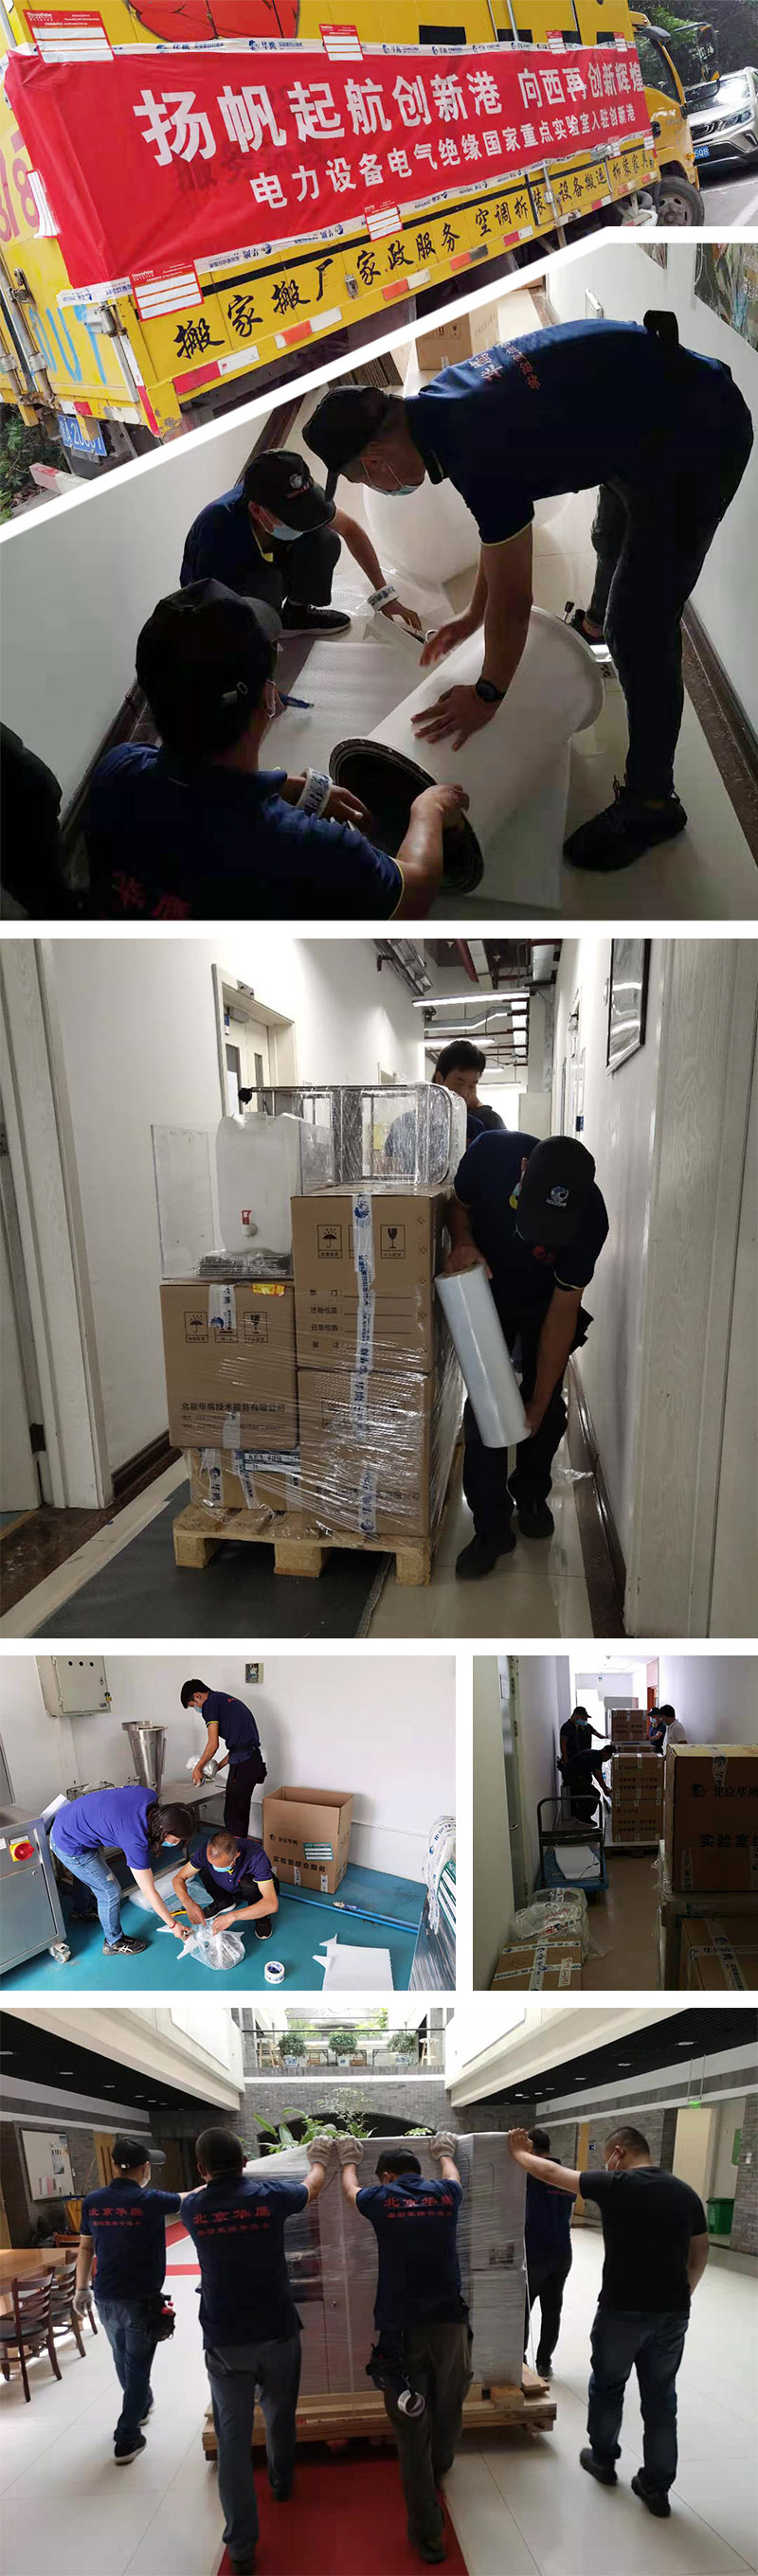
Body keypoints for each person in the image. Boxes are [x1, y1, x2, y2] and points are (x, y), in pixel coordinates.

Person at [303, 321, 753, 871]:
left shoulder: (474, 444)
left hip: (695, 437)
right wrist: (472, 614)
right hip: (641, 419)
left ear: (376, 458)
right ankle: (594, 628)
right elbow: (503, 532)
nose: (376, 485)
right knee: (609, 536)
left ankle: (652, 802)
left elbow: (515, 596)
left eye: (365, 477)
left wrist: (487, 693)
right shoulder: (438, 409)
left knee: (641, 629)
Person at [85, 581, 463, 921]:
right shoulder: (312, 849)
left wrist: (288, 788)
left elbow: (199, 798)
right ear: (269, 699)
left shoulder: (116, 772)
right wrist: (428, 809)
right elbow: (413, 892)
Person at [508, 2121, 709, 2519]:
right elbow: (700, 2252)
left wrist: (517, 2153)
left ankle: (602, 2459)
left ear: (618, 2152)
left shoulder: (617, 2185)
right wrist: (683, 2295)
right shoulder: (685, 2193)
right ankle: (656, 2485)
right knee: (661, 2399)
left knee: (608, 2386)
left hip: (620, 2310)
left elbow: (550, 2172)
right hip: (672, 2314)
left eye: (607, 2158)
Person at [442, 1131, 609, 1578]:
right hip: (488, 1291)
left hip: (544, 1305)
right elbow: (457, 1206)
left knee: (547, 1409)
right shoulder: (489, 1154)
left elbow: (563, 1313)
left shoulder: (591, 1219)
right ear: (522, 1171)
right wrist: (463, 1240)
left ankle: (531, 1493)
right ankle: (491, 1526)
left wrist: (537, 1400)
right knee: (485, 1406)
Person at [181, 2123, 331, 2574]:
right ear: (245, 2162)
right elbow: (313, 2187)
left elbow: (199, 2191)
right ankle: (282, 2484)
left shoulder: (192, 2208)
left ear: (201, 2168)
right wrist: (319, 2156)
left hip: (225, 2338)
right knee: (280, 2415)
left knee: (232, 2441)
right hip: (277, 2329)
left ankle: (242, 2546)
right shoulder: (270, 2196)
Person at [340, 2131, 471, 2566]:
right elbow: (453, 2175)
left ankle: (428, 2534)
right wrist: (445, 2152)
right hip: (451, 2326)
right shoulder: (446, 2195)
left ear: (387, 2176)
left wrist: (349, 2158)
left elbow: (350, 2191)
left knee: (412, 2426)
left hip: (401, 2334)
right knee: (449, 2406)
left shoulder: (382, 2199)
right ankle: (440, 2469)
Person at [181, 447, 423, 639]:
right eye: (292, 518)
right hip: (231, 589)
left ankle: (296, 615)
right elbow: (212, 609)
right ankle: (265, 628)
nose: (301, 521)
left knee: (324, 540)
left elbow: (349, 529)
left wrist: (384, 596)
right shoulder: (217, 531)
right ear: (256, 510)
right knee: (266, 589)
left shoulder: (294, 492)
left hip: (268, 561)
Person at [74, 2134, 182, 2464]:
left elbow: (85, 2248)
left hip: (105, 2296)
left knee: (122, 2357)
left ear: (113, 2165)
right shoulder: (150, 2200)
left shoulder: (93, 2201)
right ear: (145, 2167)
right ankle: (127, 2438)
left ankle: (142, 2404)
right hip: (140, 2299)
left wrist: (81, 2289)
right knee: (136, 2366)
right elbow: (191, 2197)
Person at [48, 1790, 194, 1959]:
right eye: (175, 1840)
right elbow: (148, 1890)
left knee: (91, 1874)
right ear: (162, 1829)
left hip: (74, 1820)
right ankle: (113, 1942)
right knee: (109, 1891)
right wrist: (173, 1925)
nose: (175, 1843)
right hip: (68, 1840)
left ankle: (81, 1910)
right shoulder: (135, 1839)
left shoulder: (148, 1796)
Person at [180, 1676, 267, 1836]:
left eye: (194, 1706)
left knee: (233, 1816)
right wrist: (216, 1767)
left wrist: (198, 1768)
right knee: (240, 1812)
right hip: (253, 1761)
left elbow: (213, 1744)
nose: (197, 1709)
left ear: (198, 1696)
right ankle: (240, 1846)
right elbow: (239, 1747)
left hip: (244, 1764)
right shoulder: (226, 1700)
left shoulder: (210, 1705)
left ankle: (235, 1849)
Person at [522, 2126, 573, 2380]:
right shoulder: (567, 2175)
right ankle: (544, 2363)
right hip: (562, 2252)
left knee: (522, 2310)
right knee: (552, 2311)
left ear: (530, 2148)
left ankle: (518, 2360)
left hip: (534, 2252)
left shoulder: (531, 2174)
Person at [171, 1827, 280, 1945]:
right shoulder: (206, 1851)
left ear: (236, 1856)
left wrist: (231, 1917)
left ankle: (261, 1918)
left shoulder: (256, 1856)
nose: (216, 1867)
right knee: (204, 1870)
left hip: (250, 1888)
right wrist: (188, 1904)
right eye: (213, 1864)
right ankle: (223, 1901)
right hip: (228, 1884)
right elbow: (178, 1879)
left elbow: (271, 1904)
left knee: (249, 1884)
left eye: (221, 1866)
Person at [433, 1040, 506, 1143]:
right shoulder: (425, 1118)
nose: (464, 1093)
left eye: (472, 1086)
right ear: (439, 1079)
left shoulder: (488, 1121)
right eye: (459, 1084)